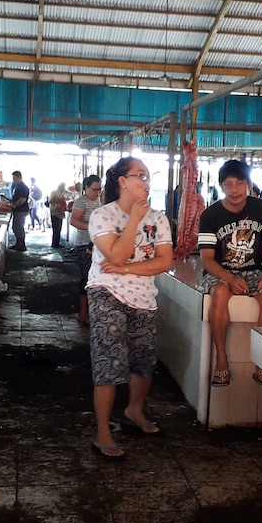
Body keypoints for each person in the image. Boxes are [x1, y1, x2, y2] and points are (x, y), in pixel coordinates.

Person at [86, 156, 173, 461]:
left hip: (143, 296)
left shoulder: (160, 219)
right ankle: (102, 432)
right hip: (105, 292)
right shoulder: (102, 216)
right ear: (122, 182)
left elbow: (164, 261)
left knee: (144, 359)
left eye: (148, 176)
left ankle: (133, 411)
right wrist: (134, 220)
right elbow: (118, 254)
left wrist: (124, 270)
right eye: (140, 175)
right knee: (109, 361)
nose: (146, 182)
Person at [199, 159, 262, 388]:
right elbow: (206, 259)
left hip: (255, 270)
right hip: (220, 271)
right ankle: (221, 361)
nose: (234, 190)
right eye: (228, 184)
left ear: (248, 184)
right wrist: (230, 278)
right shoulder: (210, 215)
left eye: (239, 183)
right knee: (219, 293)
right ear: (221, 186)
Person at [71, 175, 103, 326]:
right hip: (83, 246)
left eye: (99, 189)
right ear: (86, 188)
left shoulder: (98, 201)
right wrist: (93, 226)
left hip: (96, 245)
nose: (97, 192)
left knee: (93, 279)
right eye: (94, 189)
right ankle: (83, 313)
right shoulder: (81, 201)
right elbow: (74, 221)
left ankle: (90, 312)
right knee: (87, 278)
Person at [9, 171, 29, 251]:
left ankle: (22, 245)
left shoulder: (23, 187)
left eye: (15, 178)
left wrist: (15, 205)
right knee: (16, 227)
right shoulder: (18, 187)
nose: (14, 180)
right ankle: (18, 243)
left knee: (19, 227)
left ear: (19, 178)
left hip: (21, 210)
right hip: (18, 210)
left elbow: (22, 199)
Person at [49, 183, 69, 248]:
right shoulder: (54, 192)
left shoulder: (64, 193)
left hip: (60, 212)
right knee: (56, 228)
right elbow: (50, 201)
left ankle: (56, 243)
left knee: (58, 228)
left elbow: (69, 198)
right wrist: (59, 199)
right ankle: (55, 244)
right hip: (55, 212)